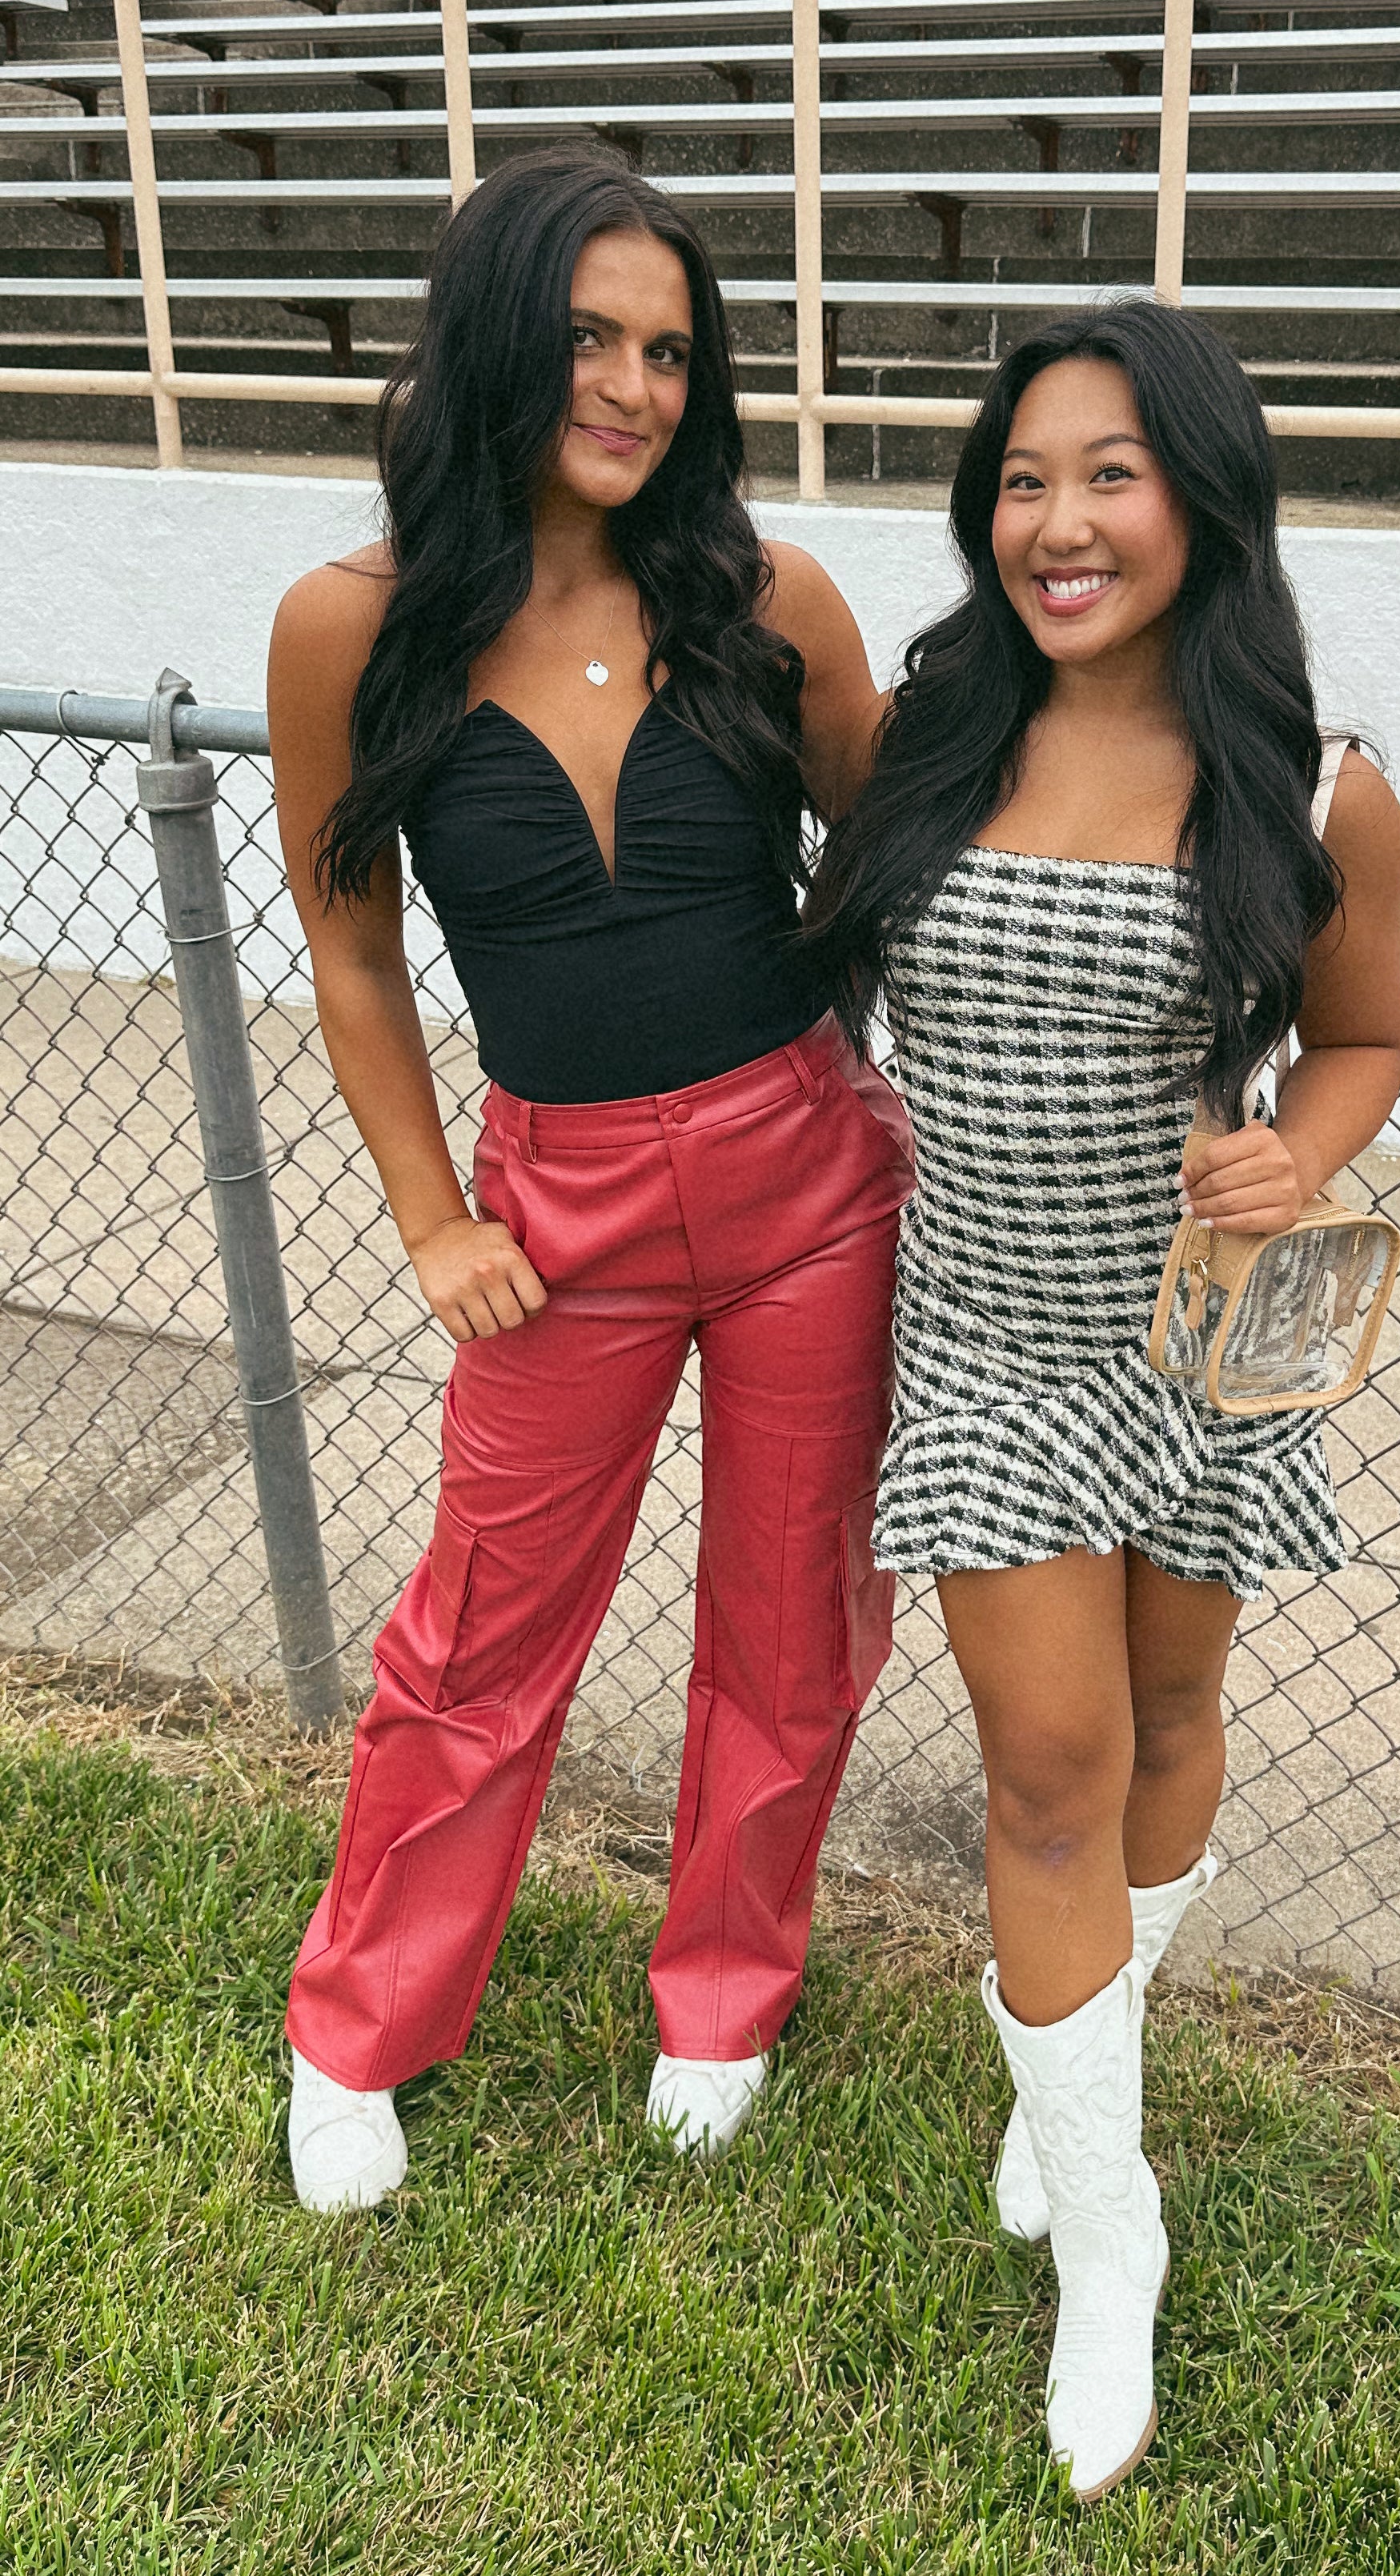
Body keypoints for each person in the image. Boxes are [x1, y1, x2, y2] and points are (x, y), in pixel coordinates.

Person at [802, 302, 1400, 2502]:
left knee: (1167, 1722)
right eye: (1022, 480)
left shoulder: (1315, 780)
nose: (1055, 522)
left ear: (1204, 498)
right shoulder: (928, 735)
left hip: (1199, 1348)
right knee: (1048, 1771)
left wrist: (1301, 1150)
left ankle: (1075, 2076)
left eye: (1109, 475)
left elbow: (1360, 1039)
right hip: (983, 1344)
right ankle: (1107, 2230)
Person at [268, 148, 909, 2210]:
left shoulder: (769, 597)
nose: (634, 388)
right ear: (490, 342)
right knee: (477, 1639)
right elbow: (352, 953)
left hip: (814, 1179)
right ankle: (360, 2028)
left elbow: (909, 867)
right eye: (587, 341)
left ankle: (723, 1997)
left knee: (795, 1622)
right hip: (558, 1219)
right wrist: (430, 1217)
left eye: (669, 353)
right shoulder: (351, 625)